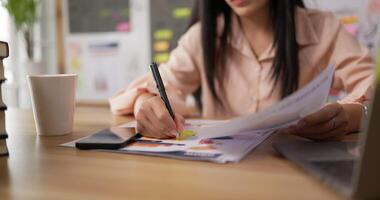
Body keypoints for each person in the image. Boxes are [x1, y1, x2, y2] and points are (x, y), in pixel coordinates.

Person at [110, 0, 374, 140]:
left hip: (291, 176)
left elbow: (371, 84)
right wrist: (146, 101)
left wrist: (352, 115)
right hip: (220, 180)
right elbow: (159, 86)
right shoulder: (204, 36)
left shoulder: (322, 28)